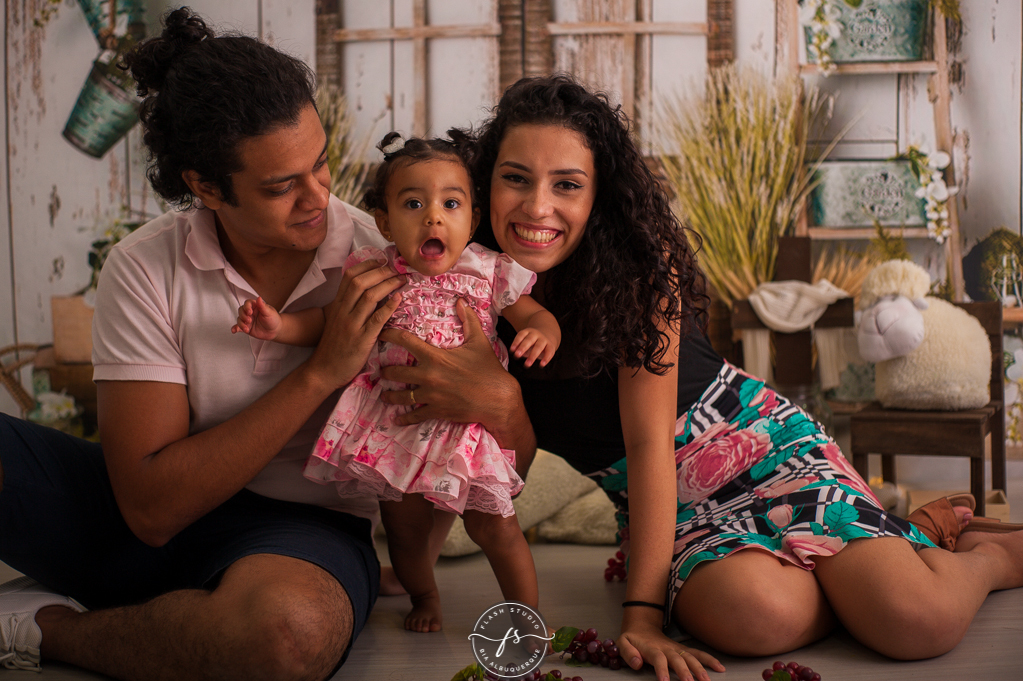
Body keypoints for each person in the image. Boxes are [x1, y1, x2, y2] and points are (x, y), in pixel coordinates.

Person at [375, 74, 1023, 681]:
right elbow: (494, 455)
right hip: (671, 509)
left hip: (759, 446)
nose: (537, 206)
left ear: (598, 192)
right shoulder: (455, 280)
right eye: (515, 178)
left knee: (915, 620)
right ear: (485, 182)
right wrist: (414, 567)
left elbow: (652, 444)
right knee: (755, 614)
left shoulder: (638, 273)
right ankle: (887, 541)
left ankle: (981, 556)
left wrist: (642, 614)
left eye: (566, 184)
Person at [0, 8, 491, 679]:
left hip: (299, 532)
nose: (318, 198)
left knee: (285, 638)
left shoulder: (389, 259)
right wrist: (322, 370)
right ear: (205, 187)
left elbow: (491, 420)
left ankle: (50, 626)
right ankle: (169, 616)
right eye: (281, 186)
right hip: (137, 513)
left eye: (319, 165)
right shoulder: (145, 266)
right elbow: (150, 507)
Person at [232, 131, 558, 632]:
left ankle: (526, 619)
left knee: (495, 527)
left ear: (471, 219)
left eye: (451, 203)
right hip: (394, 422)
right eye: (413, 203)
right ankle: (423, 595)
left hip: (466, 425)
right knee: (404, 532)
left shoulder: (487, 271)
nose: (433, 217)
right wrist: (280, 326)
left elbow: (536, 315)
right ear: (383, 221)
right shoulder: (375, 272)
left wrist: (540, 332)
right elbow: (327, 325)